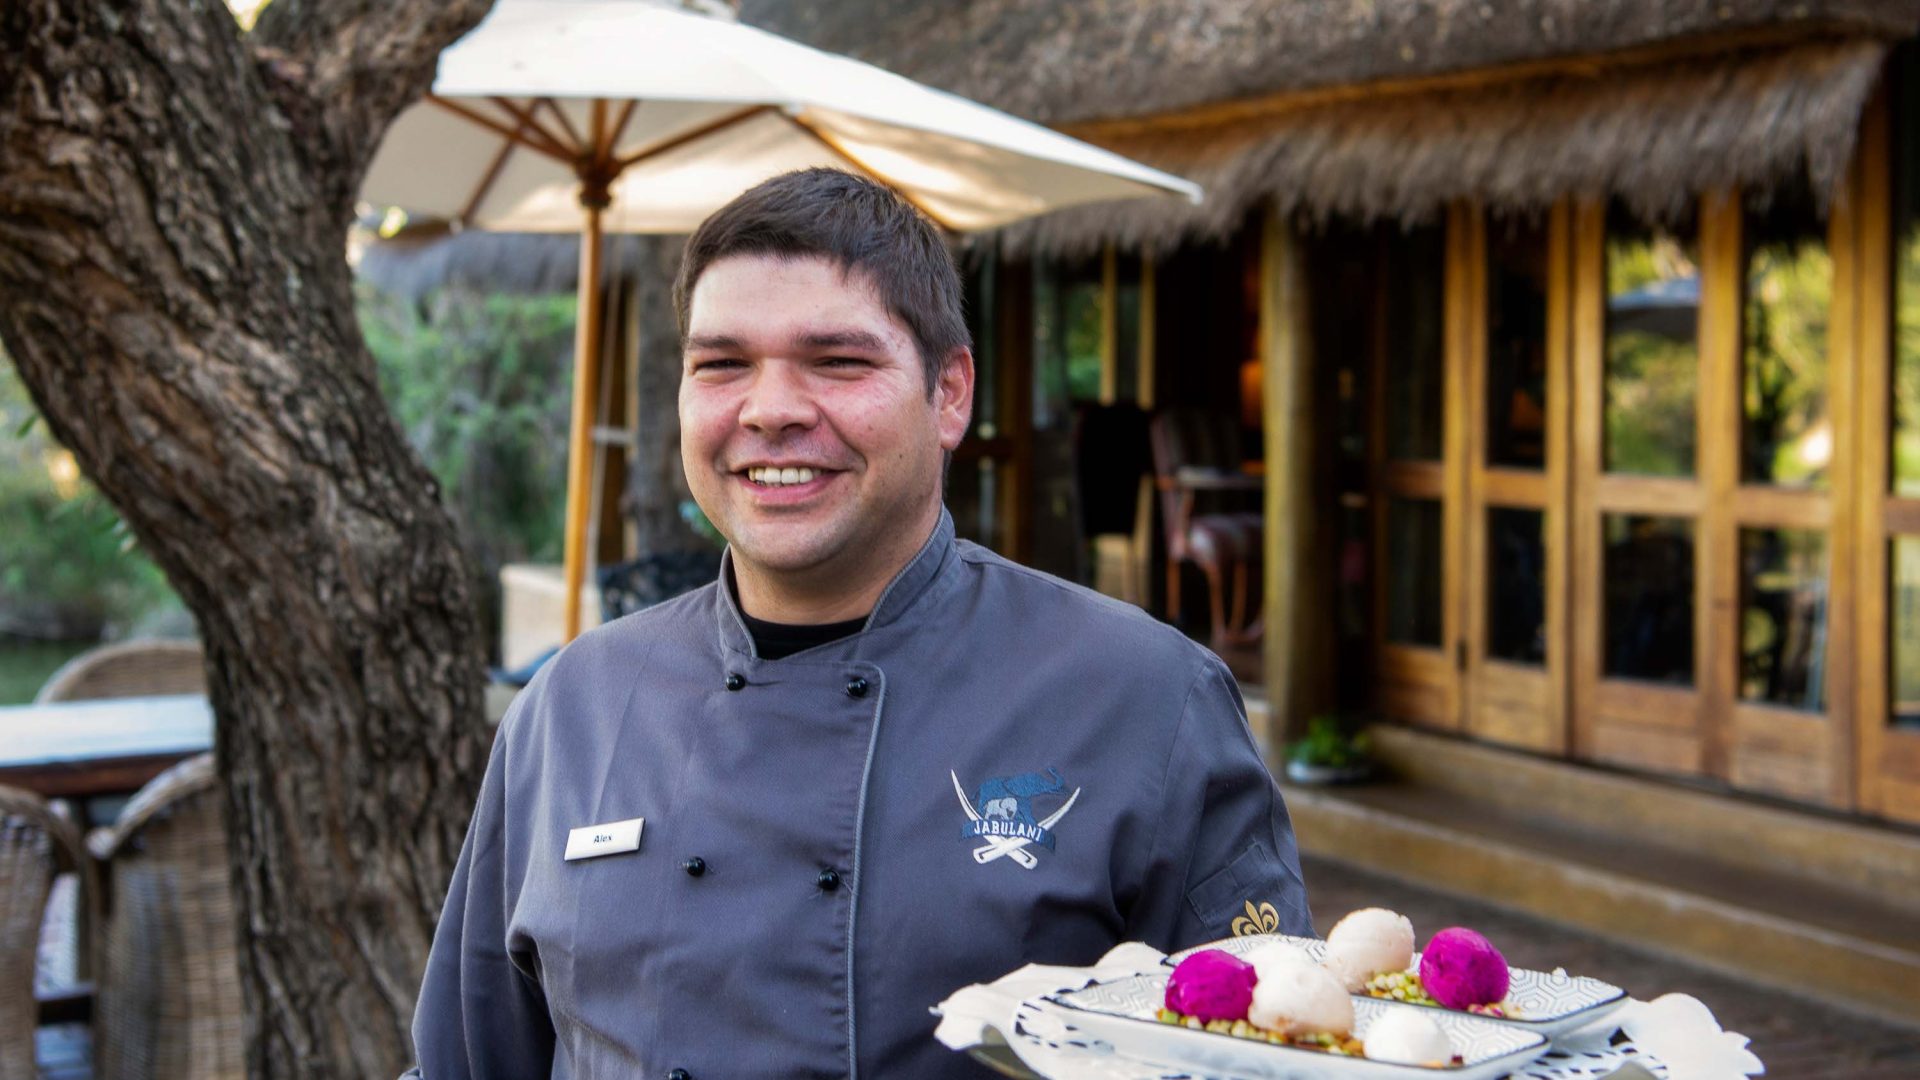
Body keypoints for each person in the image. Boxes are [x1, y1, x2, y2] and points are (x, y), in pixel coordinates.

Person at [404, 168, 1311, 1079]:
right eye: (722, 364)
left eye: (838, 362)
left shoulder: (1146, 697)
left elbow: (1272, 1056)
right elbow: (465, 1062)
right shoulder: (573, 706)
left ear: (949, 393)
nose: (770, 411)